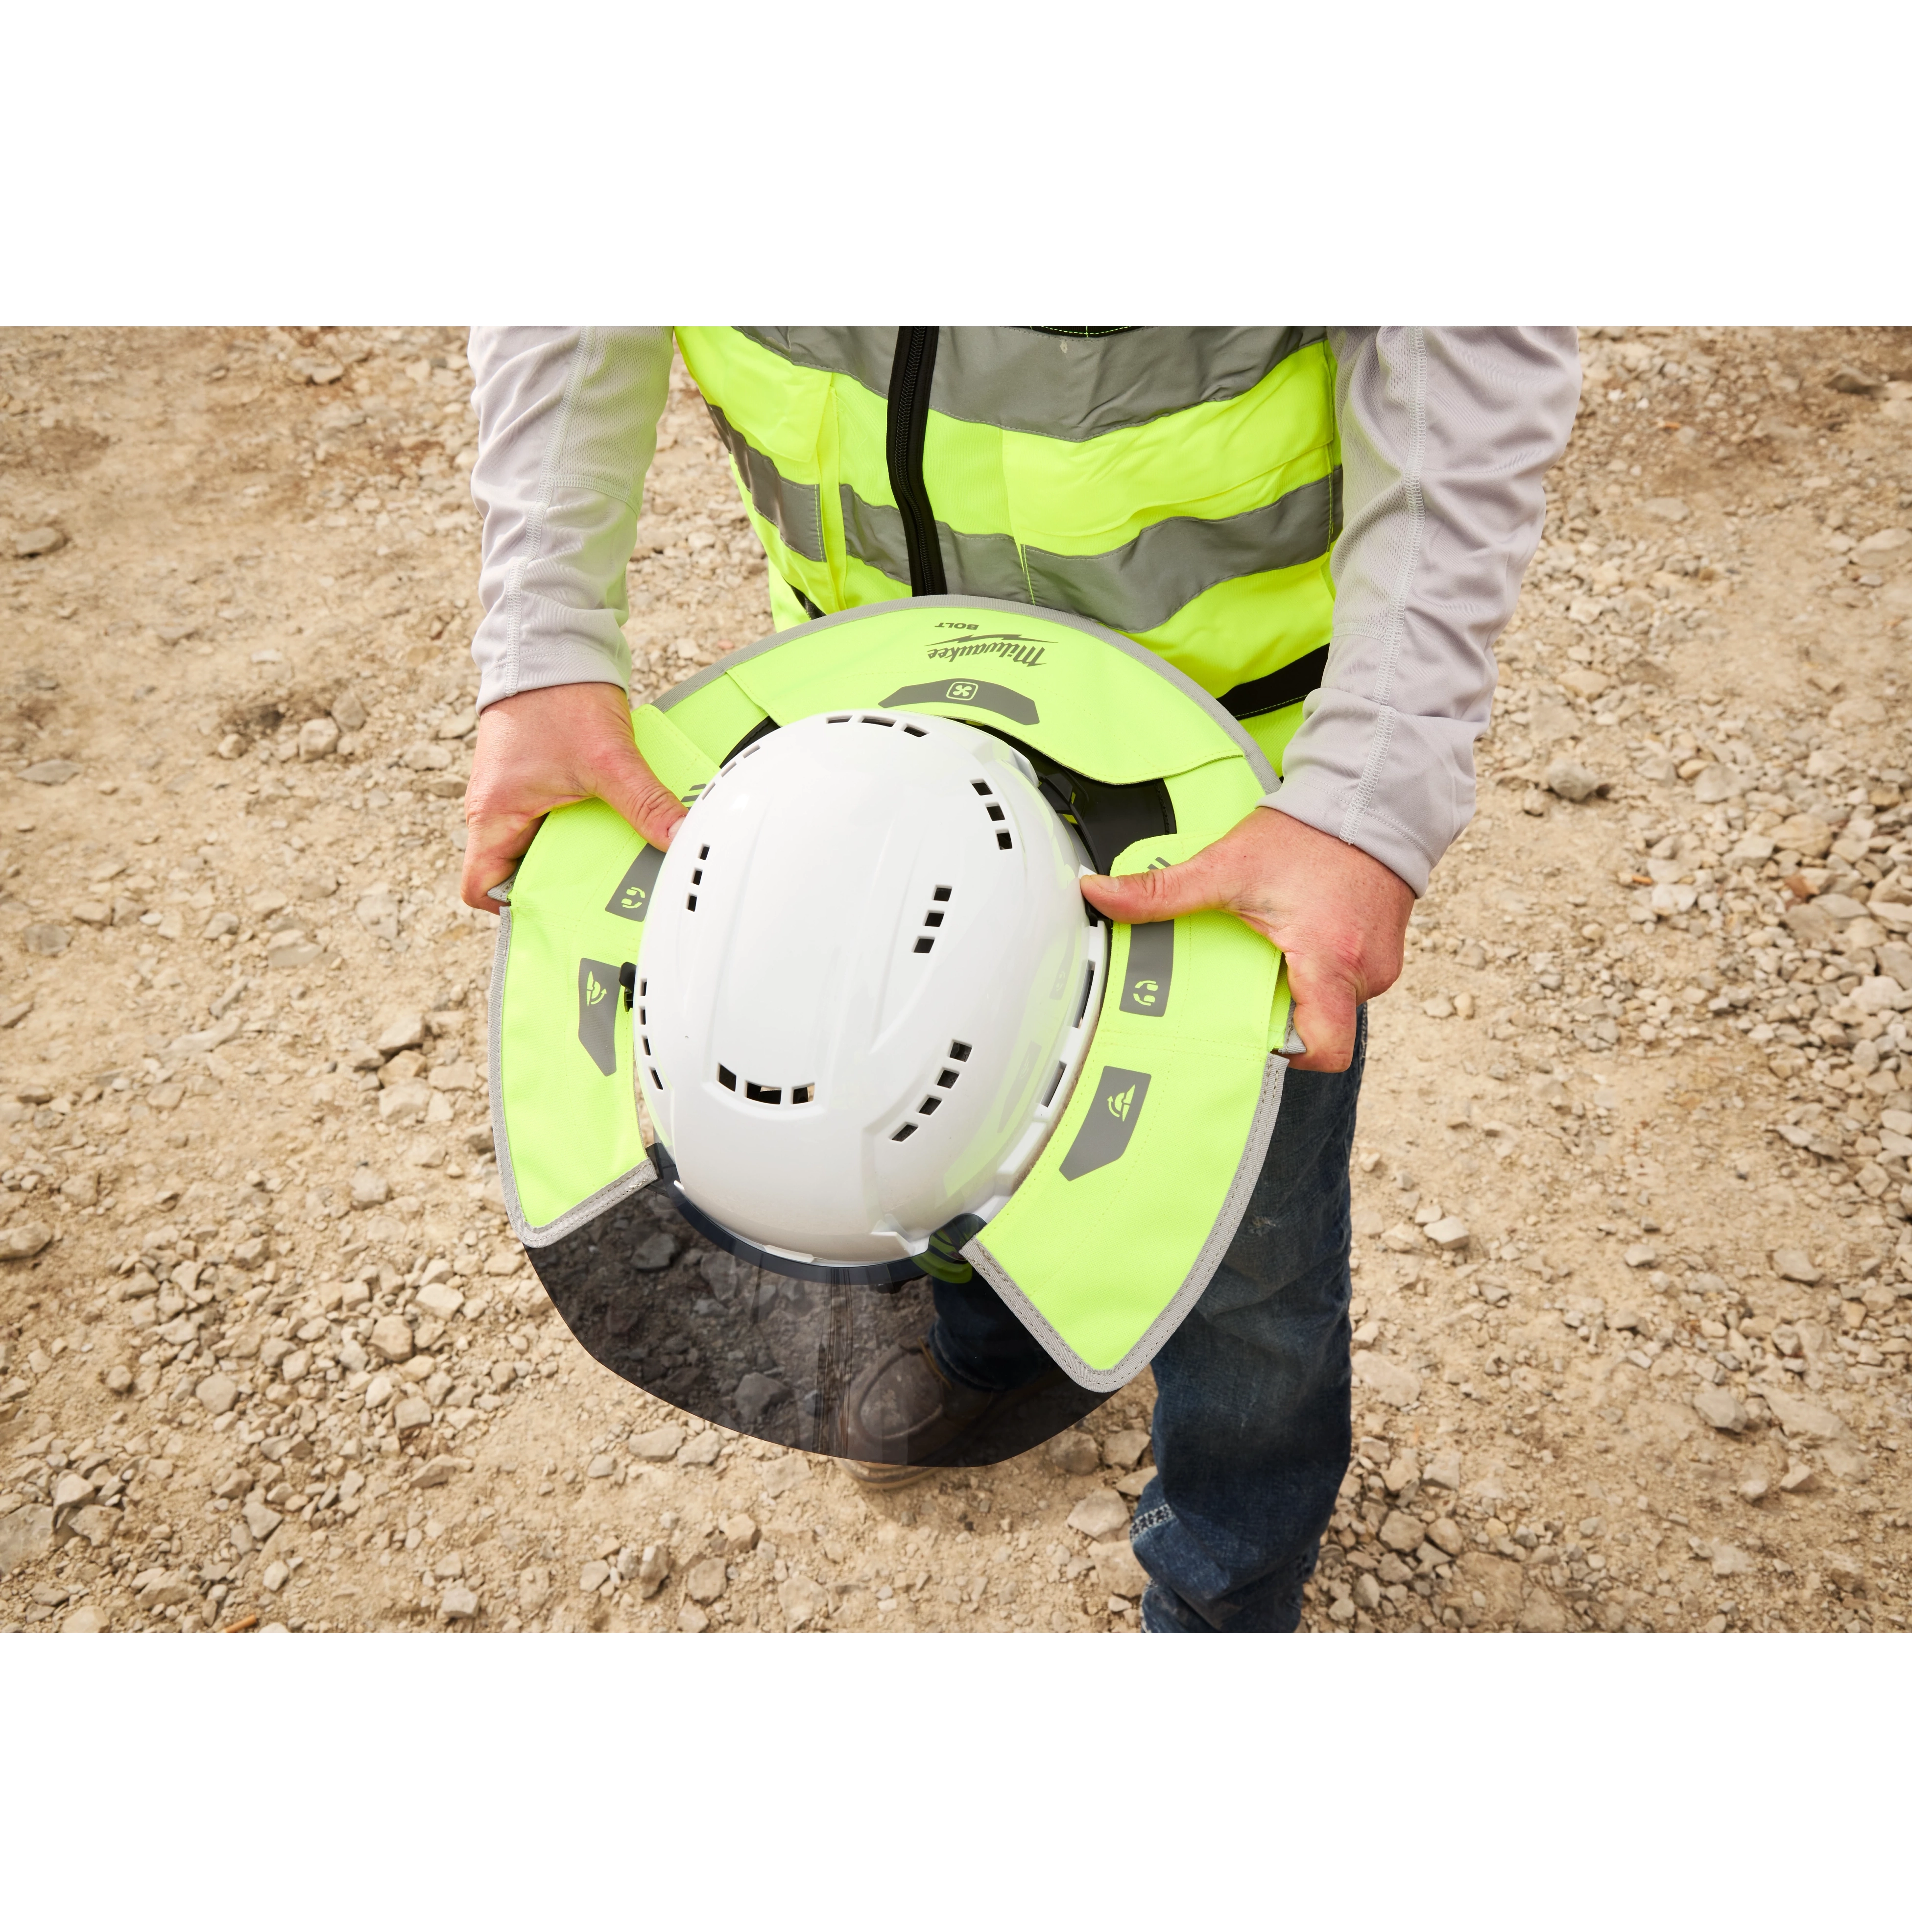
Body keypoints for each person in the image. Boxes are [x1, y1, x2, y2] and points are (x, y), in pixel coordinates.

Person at [461, 326, 1578, 1634]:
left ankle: (1229, 1582)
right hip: (871, 734)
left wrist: (1368, 793)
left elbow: (1464, 358)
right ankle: (990, 1353)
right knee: (911, 1099)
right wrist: (542, 643)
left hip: (1214, 807)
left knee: (1251, 1279)